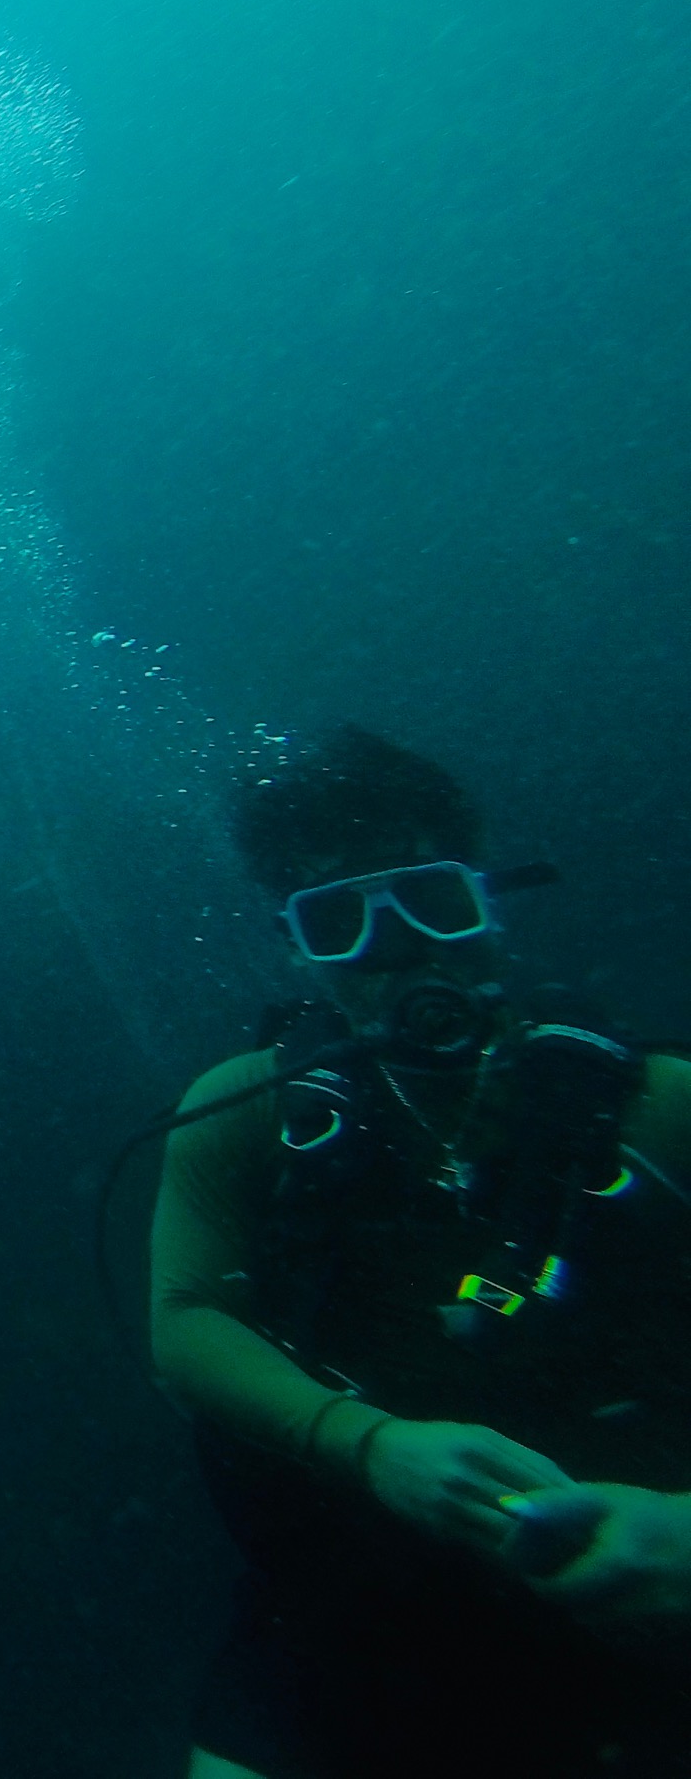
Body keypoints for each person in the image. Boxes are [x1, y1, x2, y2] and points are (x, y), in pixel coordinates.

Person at [151, 726, 691, 1777]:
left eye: (432, 902)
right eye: (342, 920)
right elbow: (183, 1318)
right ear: (298, 946)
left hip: (646, 1603)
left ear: (487, 900)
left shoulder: (661, 1111)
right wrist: (369, 1445)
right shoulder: (244, 1117)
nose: (402, 951)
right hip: (352, 1625)